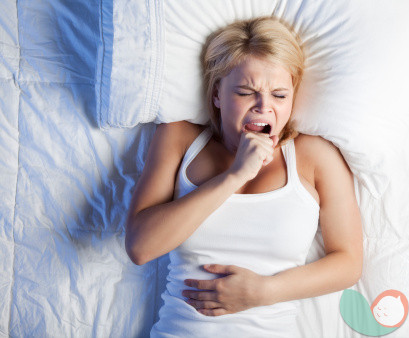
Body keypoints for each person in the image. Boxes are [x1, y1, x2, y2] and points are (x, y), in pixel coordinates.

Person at [125, 16, 363, 337]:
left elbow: (348, 263)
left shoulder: (315, 156)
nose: (264, 107)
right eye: (246, 92)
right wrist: (235, 175)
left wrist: (264, 292)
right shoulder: (179, 138)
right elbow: (140, 247)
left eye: (279, 95)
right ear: (217, 95)